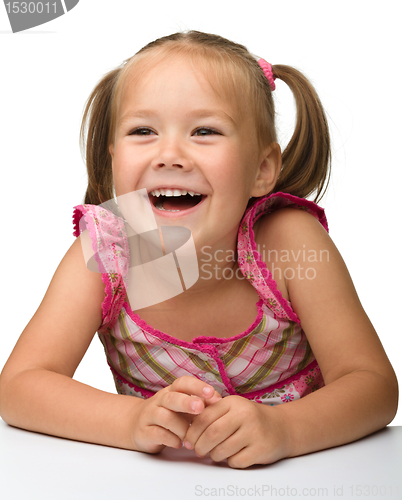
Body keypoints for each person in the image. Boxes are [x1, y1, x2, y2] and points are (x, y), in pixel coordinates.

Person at [0, 31, 398, 469]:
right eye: (143, 130)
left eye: (205, 131)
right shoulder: (105, 256)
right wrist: (131, 421)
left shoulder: (288, 243)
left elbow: (373, 385)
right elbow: (20, 386)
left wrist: (285, 430)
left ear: (262, 170)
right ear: (114, 157)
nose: (169, 155)